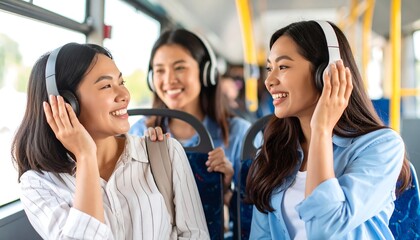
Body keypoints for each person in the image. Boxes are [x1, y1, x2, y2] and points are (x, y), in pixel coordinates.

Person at [11, 42, 209, 240]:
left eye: (121, 83)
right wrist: (85, 156)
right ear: (66, 103)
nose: (124, 95)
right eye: (106, 86)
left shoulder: (166, 152)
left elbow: (196, 236)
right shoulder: (37, 184)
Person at [246, 20, 411, 239]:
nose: (269, 81)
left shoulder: (382, 146)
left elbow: (326, 229)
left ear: (327, 73)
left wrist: (321, 129)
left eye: (283, 67)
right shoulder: (273, 150)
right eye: (269, 69)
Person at [129, 28, 253, 233]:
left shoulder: (239, 134)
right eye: (160, 70)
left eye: (179, 68)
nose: (169, 79)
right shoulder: (140, 132)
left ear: (205, 73)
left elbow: (251, 219)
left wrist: (229, 187)